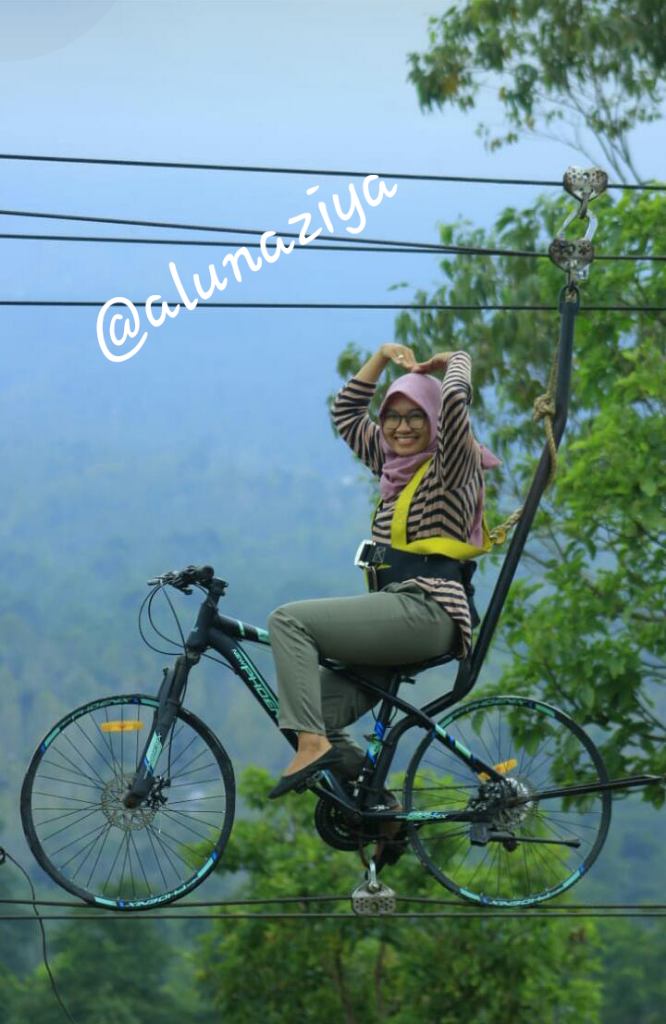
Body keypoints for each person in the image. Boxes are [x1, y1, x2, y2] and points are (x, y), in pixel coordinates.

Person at [267, 342, 495, 800]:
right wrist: (381, 357)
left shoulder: (450, 466)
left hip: (427, 611)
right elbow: (348, 415)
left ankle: (312, 747)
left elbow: (453, 403)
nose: (402, 427)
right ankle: (372, 805)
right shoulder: (395, 465)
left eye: (416, 417)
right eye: (393, 416)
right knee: (300, 707)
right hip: (396, 614)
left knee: (288, 621)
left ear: (434, 424)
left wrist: (453, 362)